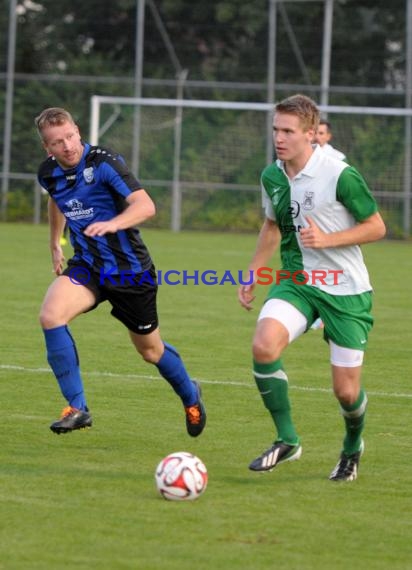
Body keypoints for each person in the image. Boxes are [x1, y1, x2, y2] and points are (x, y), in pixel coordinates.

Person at [238, 94, 386, 482]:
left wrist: (328, 240)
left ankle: (352, 447)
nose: (279, 138)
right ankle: (287, 439)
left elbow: (376, 226)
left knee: (346, 393)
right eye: (276, 130)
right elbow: (272, 225)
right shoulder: (272, 176)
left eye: (288, 131)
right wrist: (254, 271)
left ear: (310, 134)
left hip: (345, 289)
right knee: (263, 345)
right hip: (297, 280)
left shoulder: (339, 174)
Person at [35, 107, 206, 437]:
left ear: (78, 130)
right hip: (87, 266)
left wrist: (113, 223)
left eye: (70, 136)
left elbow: (146, 205)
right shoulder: (48, 173)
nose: (67, 146)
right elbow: (56, 199)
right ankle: (77, 407)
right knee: (50, 315)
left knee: (150, 351)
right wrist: (55, 241)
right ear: (48, 148)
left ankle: (190, 395)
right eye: (57, 142)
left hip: (129, 271)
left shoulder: (103, 163)